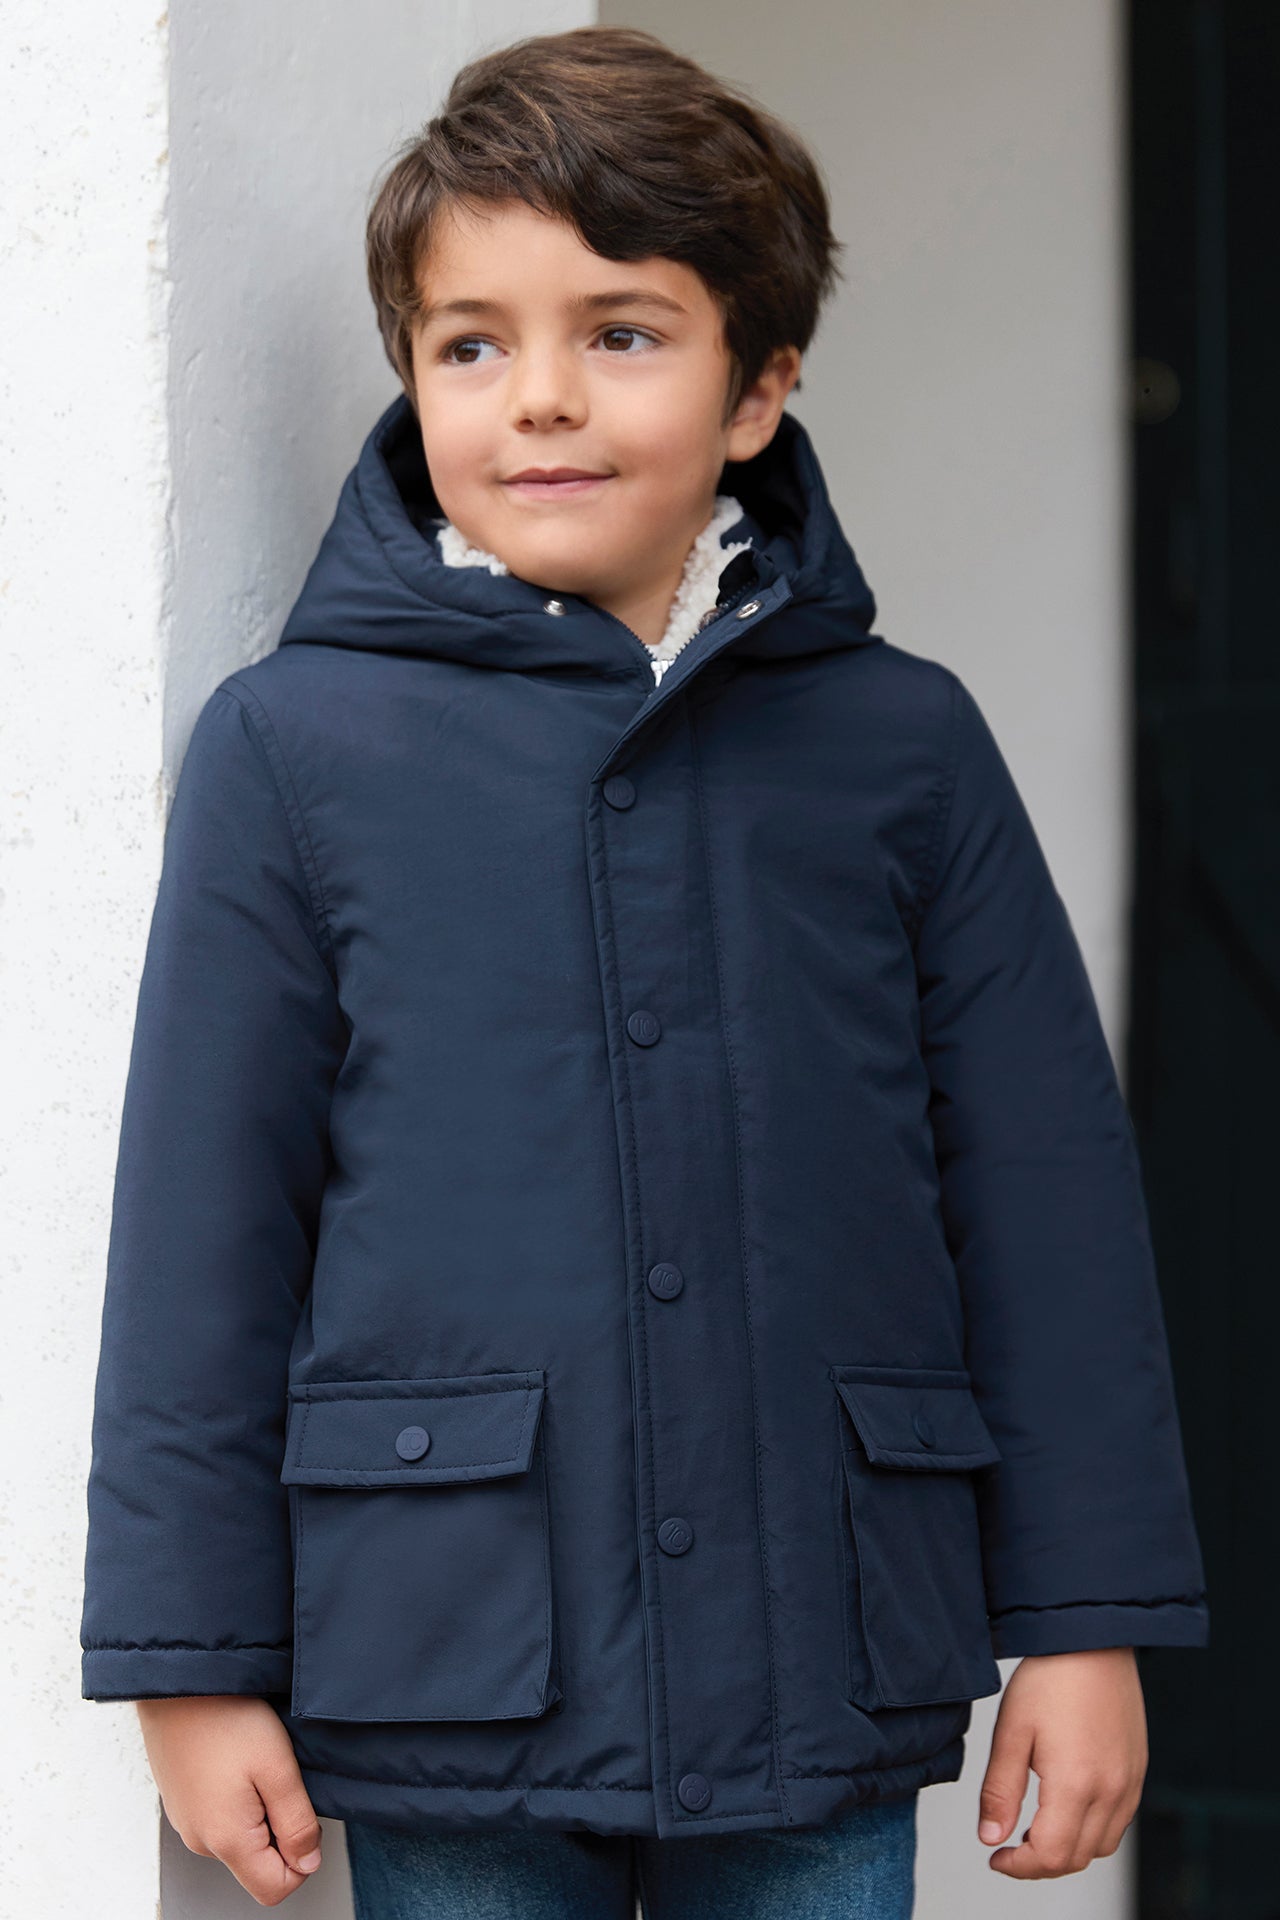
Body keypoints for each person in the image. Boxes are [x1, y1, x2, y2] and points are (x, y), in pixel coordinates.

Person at [78, 24, 1209, 1917]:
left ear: (758, 388)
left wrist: (1085, 1622)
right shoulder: (296, 750)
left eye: (621, 332)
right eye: (470, 344)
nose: (540, 397)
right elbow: (205, 1225)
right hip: (447, 1654)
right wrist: (188, 1662)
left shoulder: (903, 746)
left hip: (820, 1647)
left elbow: (1045, 1196)